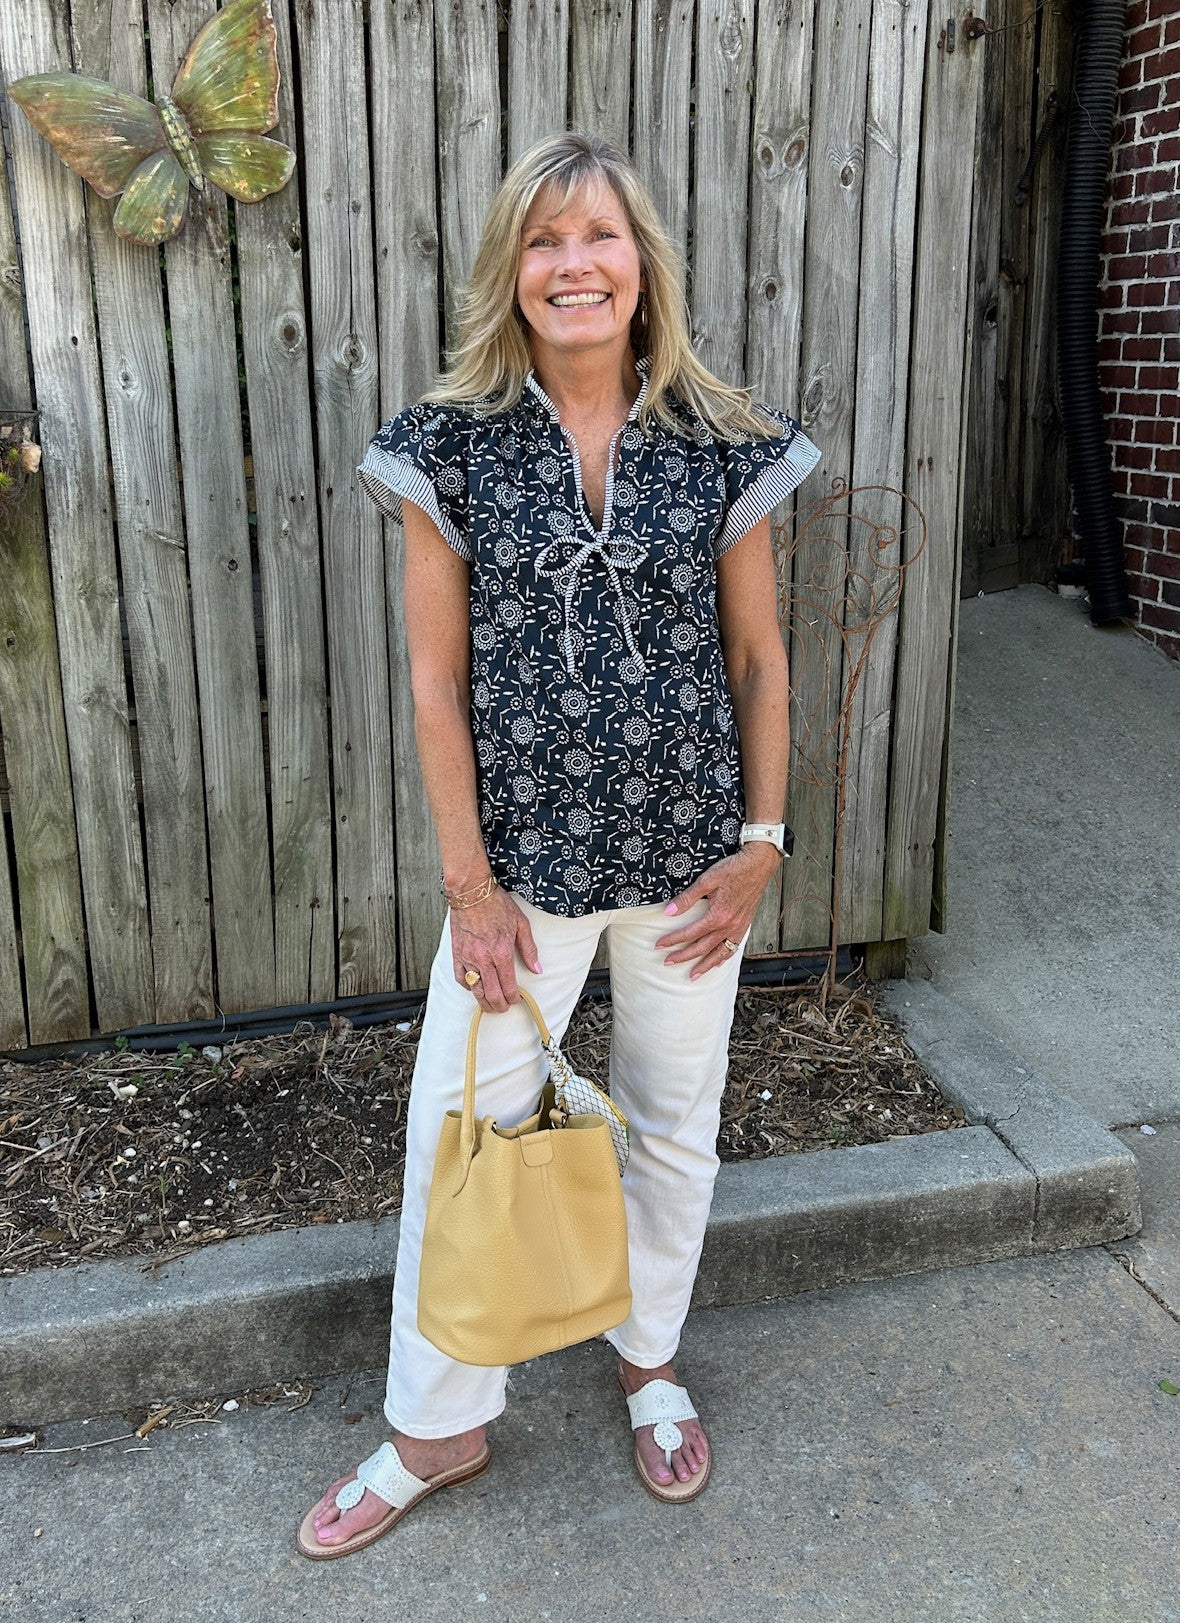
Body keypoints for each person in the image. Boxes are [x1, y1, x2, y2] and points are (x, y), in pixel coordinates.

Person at [296, 130, 820, 1558]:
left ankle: (648, 1361)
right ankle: (435, 1423)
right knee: (457, 1138)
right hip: (519, 883)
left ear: (639, 261)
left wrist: (762, 841)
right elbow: (433, 681)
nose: (572, 264)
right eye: (542, 242)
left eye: (596, 236)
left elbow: (760, 658)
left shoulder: (719, 438)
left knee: (670, 1125)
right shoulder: (446, 444)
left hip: (691, 869)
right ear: (510, 272)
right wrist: (467, 885)